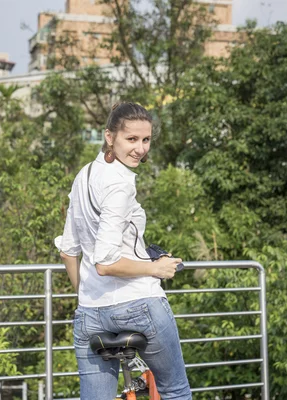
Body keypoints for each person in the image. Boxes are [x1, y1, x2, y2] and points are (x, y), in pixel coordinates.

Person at [55, 102, 192, 399]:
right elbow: (105, 262)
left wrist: (89, 298)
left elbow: (68, 251)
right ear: (109, 136)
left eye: (146, 140)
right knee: (175, 390)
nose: (141, 149)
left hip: (90, 314)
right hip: (139, 304)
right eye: (131, 139)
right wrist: (156, 268)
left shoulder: (84, 176)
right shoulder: (119, 185)